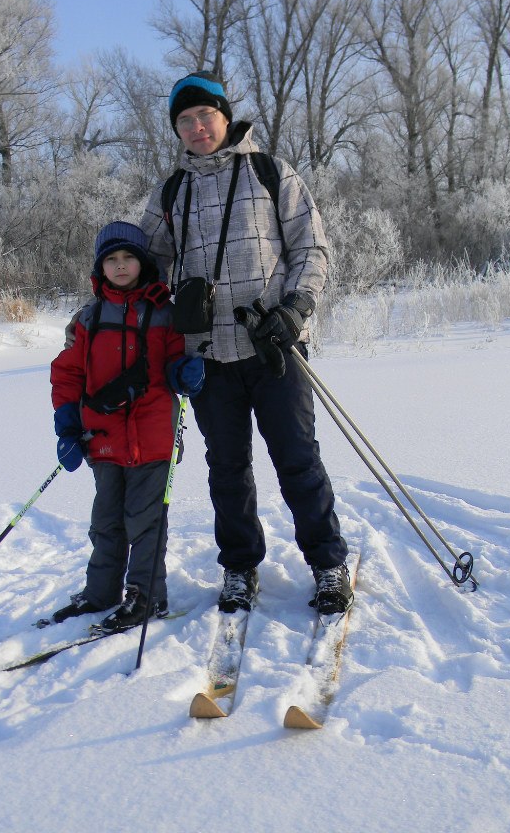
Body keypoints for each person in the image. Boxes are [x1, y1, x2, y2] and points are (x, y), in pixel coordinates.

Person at [139, 71, 353, 617]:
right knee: (226, 468)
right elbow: (143, 266)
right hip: (207, 358)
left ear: (224, 116)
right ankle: (240, 568)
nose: (195, 127)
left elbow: (313, 247)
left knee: (297, 459)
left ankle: (328, 564)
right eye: (183, 120)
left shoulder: (270, 172)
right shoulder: (171, 192)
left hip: (273, 346)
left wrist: (295, 309)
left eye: (203, 115)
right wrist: (123, 313)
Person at [47, 221, 205, 632]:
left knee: (146, 520)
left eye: (128, 258)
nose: (120, 266)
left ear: (142, 262)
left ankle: (146, 596)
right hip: (102, 438)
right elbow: (67, 374)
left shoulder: (163, 313)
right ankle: (100, 591)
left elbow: (174, 362)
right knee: (106, 520)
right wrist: (66, 424)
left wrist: (184, 372)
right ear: (100, 268)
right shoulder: (88, 318)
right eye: (111, 260)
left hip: (153, 438)